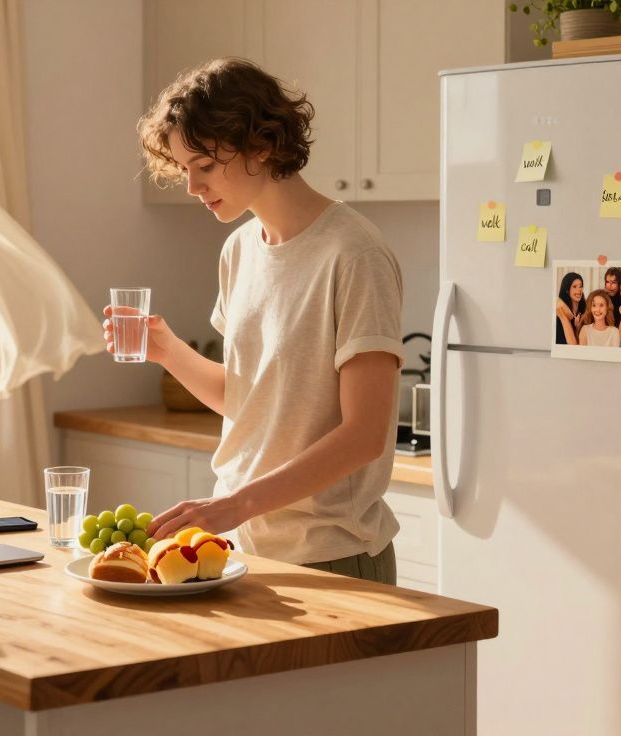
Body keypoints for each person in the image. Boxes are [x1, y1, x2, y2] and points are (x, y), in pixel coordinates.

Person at [107, 58, 405, 584]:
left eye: (204, 164)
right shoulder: (239, 250)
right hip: (240, 551)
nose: (192, 186)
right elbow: (250, 400)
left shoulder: (353, 254)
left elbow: (365, 435)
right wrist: (166, 349)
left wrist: (233, 506)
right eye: (183, 169)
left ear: (261, 145)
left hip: (333, 555)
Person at [554, 271, 584, 345]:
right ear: (567, 290)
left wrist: (577, 328)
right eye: (574, 287)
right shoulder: (560, 311)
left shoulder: (584, 310)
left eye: (580, 286)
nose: (579, 290)